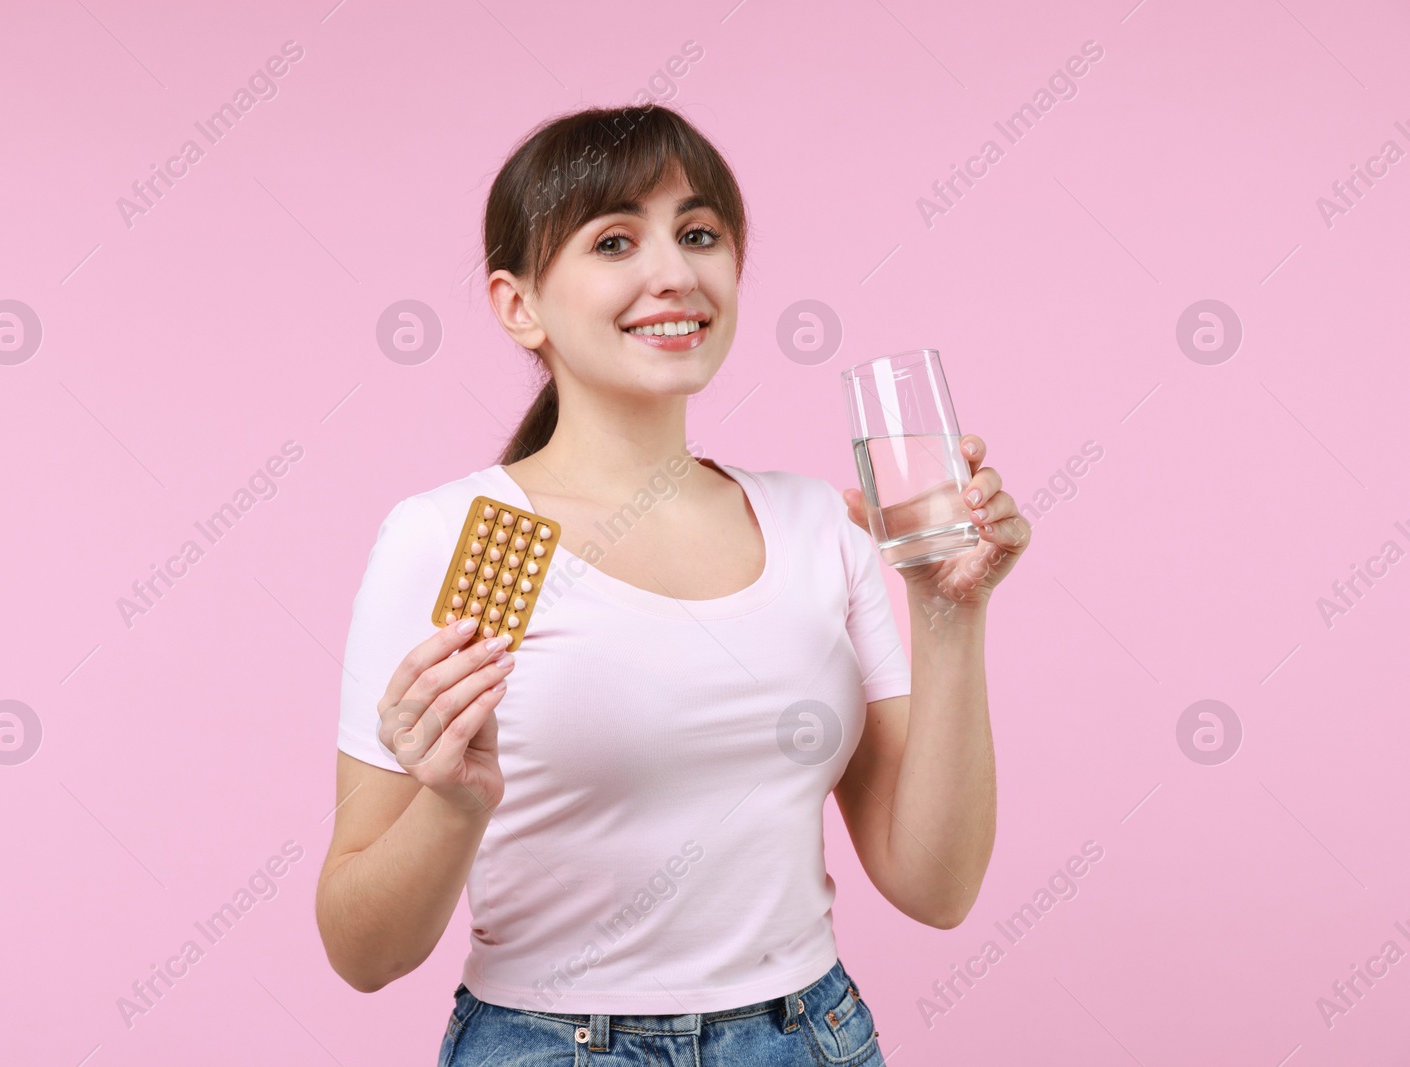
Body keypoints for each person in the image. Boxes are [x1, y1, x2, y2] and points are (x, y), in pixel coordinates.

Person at [315, 104, 1029, 1066]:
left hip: (807, 1037)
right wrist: (452, 804)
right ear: (518, 303)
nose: (675, 272)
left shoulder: (819, 524)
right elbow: (362, 953)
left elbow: (935, 887)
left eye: (700, 235)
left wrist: (949, 613)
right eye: (614, 240)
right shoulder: (450, 541)